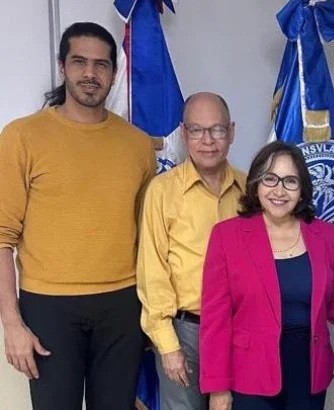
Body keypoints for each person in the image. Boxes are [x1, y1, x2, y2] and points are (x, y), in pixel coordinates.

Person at [0, 22, 157, 410]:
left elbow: (150, 238)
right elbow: (2, 238)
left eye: (101, 65)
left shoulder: (138, 146)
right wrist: (12, 324)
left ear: (114, 74)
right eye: (79, 62)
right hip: (48, 306)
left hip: (123, 305)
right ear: (62, 67)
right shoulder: (22, 137)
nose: (90, 73)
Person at [200, 141, 334, 410]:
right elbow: (215, 319)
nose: (279, 190)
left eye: (290, 181)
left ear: (302, 190)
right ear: (256, 183)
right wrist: (218, 388)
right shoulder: (227, 236)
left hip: (309, 373)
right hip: (250, 374)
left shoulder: (326, 235)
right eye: (270, 179)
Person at [136, 92, 246, 410]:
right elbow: (152, 272)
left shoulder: (250, 189)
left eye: (217, 129)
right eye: (197, 130)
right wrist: (168, 345)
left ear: (232, 132)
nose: (207, 141)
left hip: (241, 331)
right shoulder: (162, 191)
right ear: (184, 134)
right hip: (186, 333)